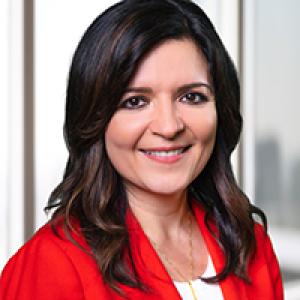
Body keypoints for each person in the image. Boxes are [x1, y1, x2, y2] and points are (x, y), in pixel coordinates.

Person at [0, 0, 283, 299]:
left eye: (191, 96)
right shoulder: (52, 264)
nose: (169, 125)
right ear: (96, 118)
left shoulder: (250, 243)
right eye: (135, 101)